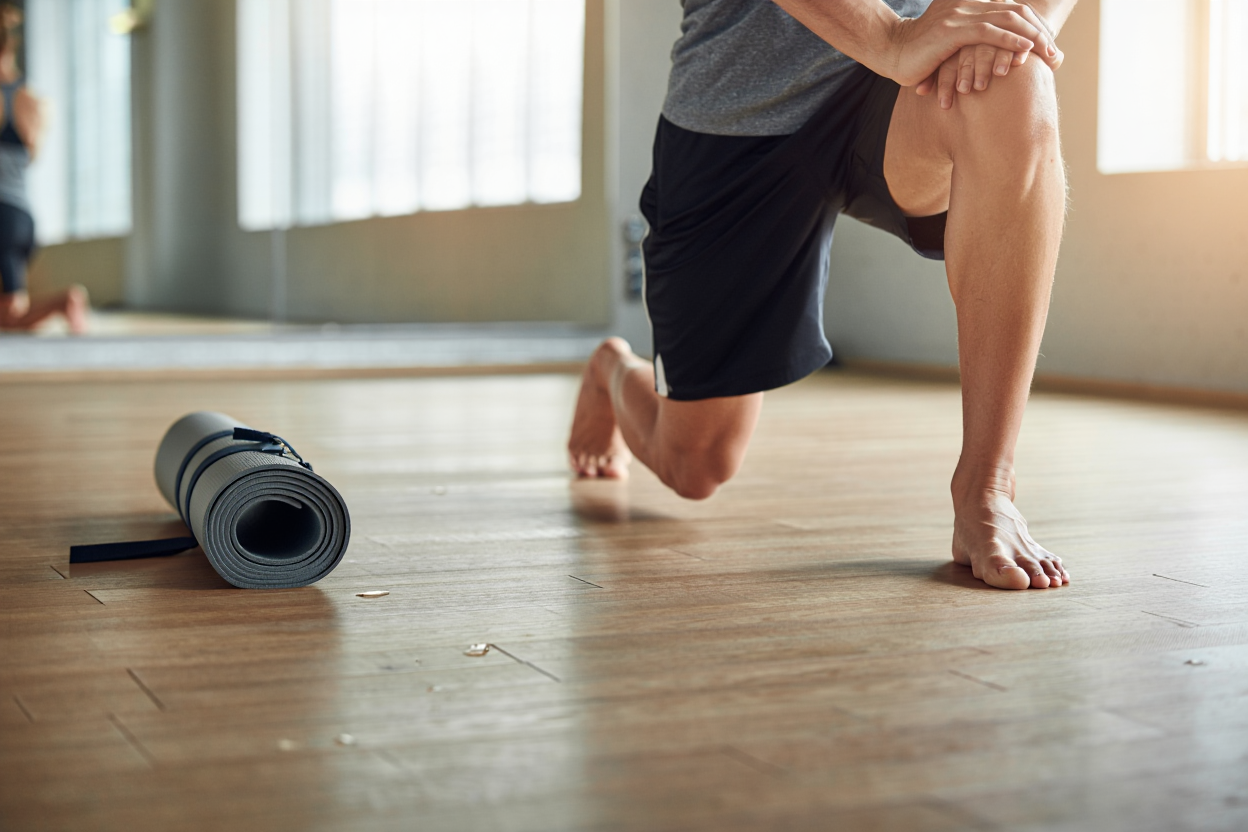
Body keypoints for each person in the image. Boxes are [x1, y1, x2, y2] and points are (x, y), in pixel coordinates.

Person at [568, 0, 1078, 590]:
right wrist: (890, 37)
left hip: (903, 76)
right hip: (735, 114)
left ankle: (988, 484)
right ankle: (611, 371)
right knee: (696, 465)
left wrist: (1017, 26)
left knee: (1015, 80)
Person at [0, 3, 88, 333]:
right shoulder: (31, 99)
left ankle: (64, 301)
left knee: (9, 317)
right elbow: (32, 155)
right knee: (7, 317)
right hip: (23, 218)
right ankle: (62, 304)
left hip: (1, 219)